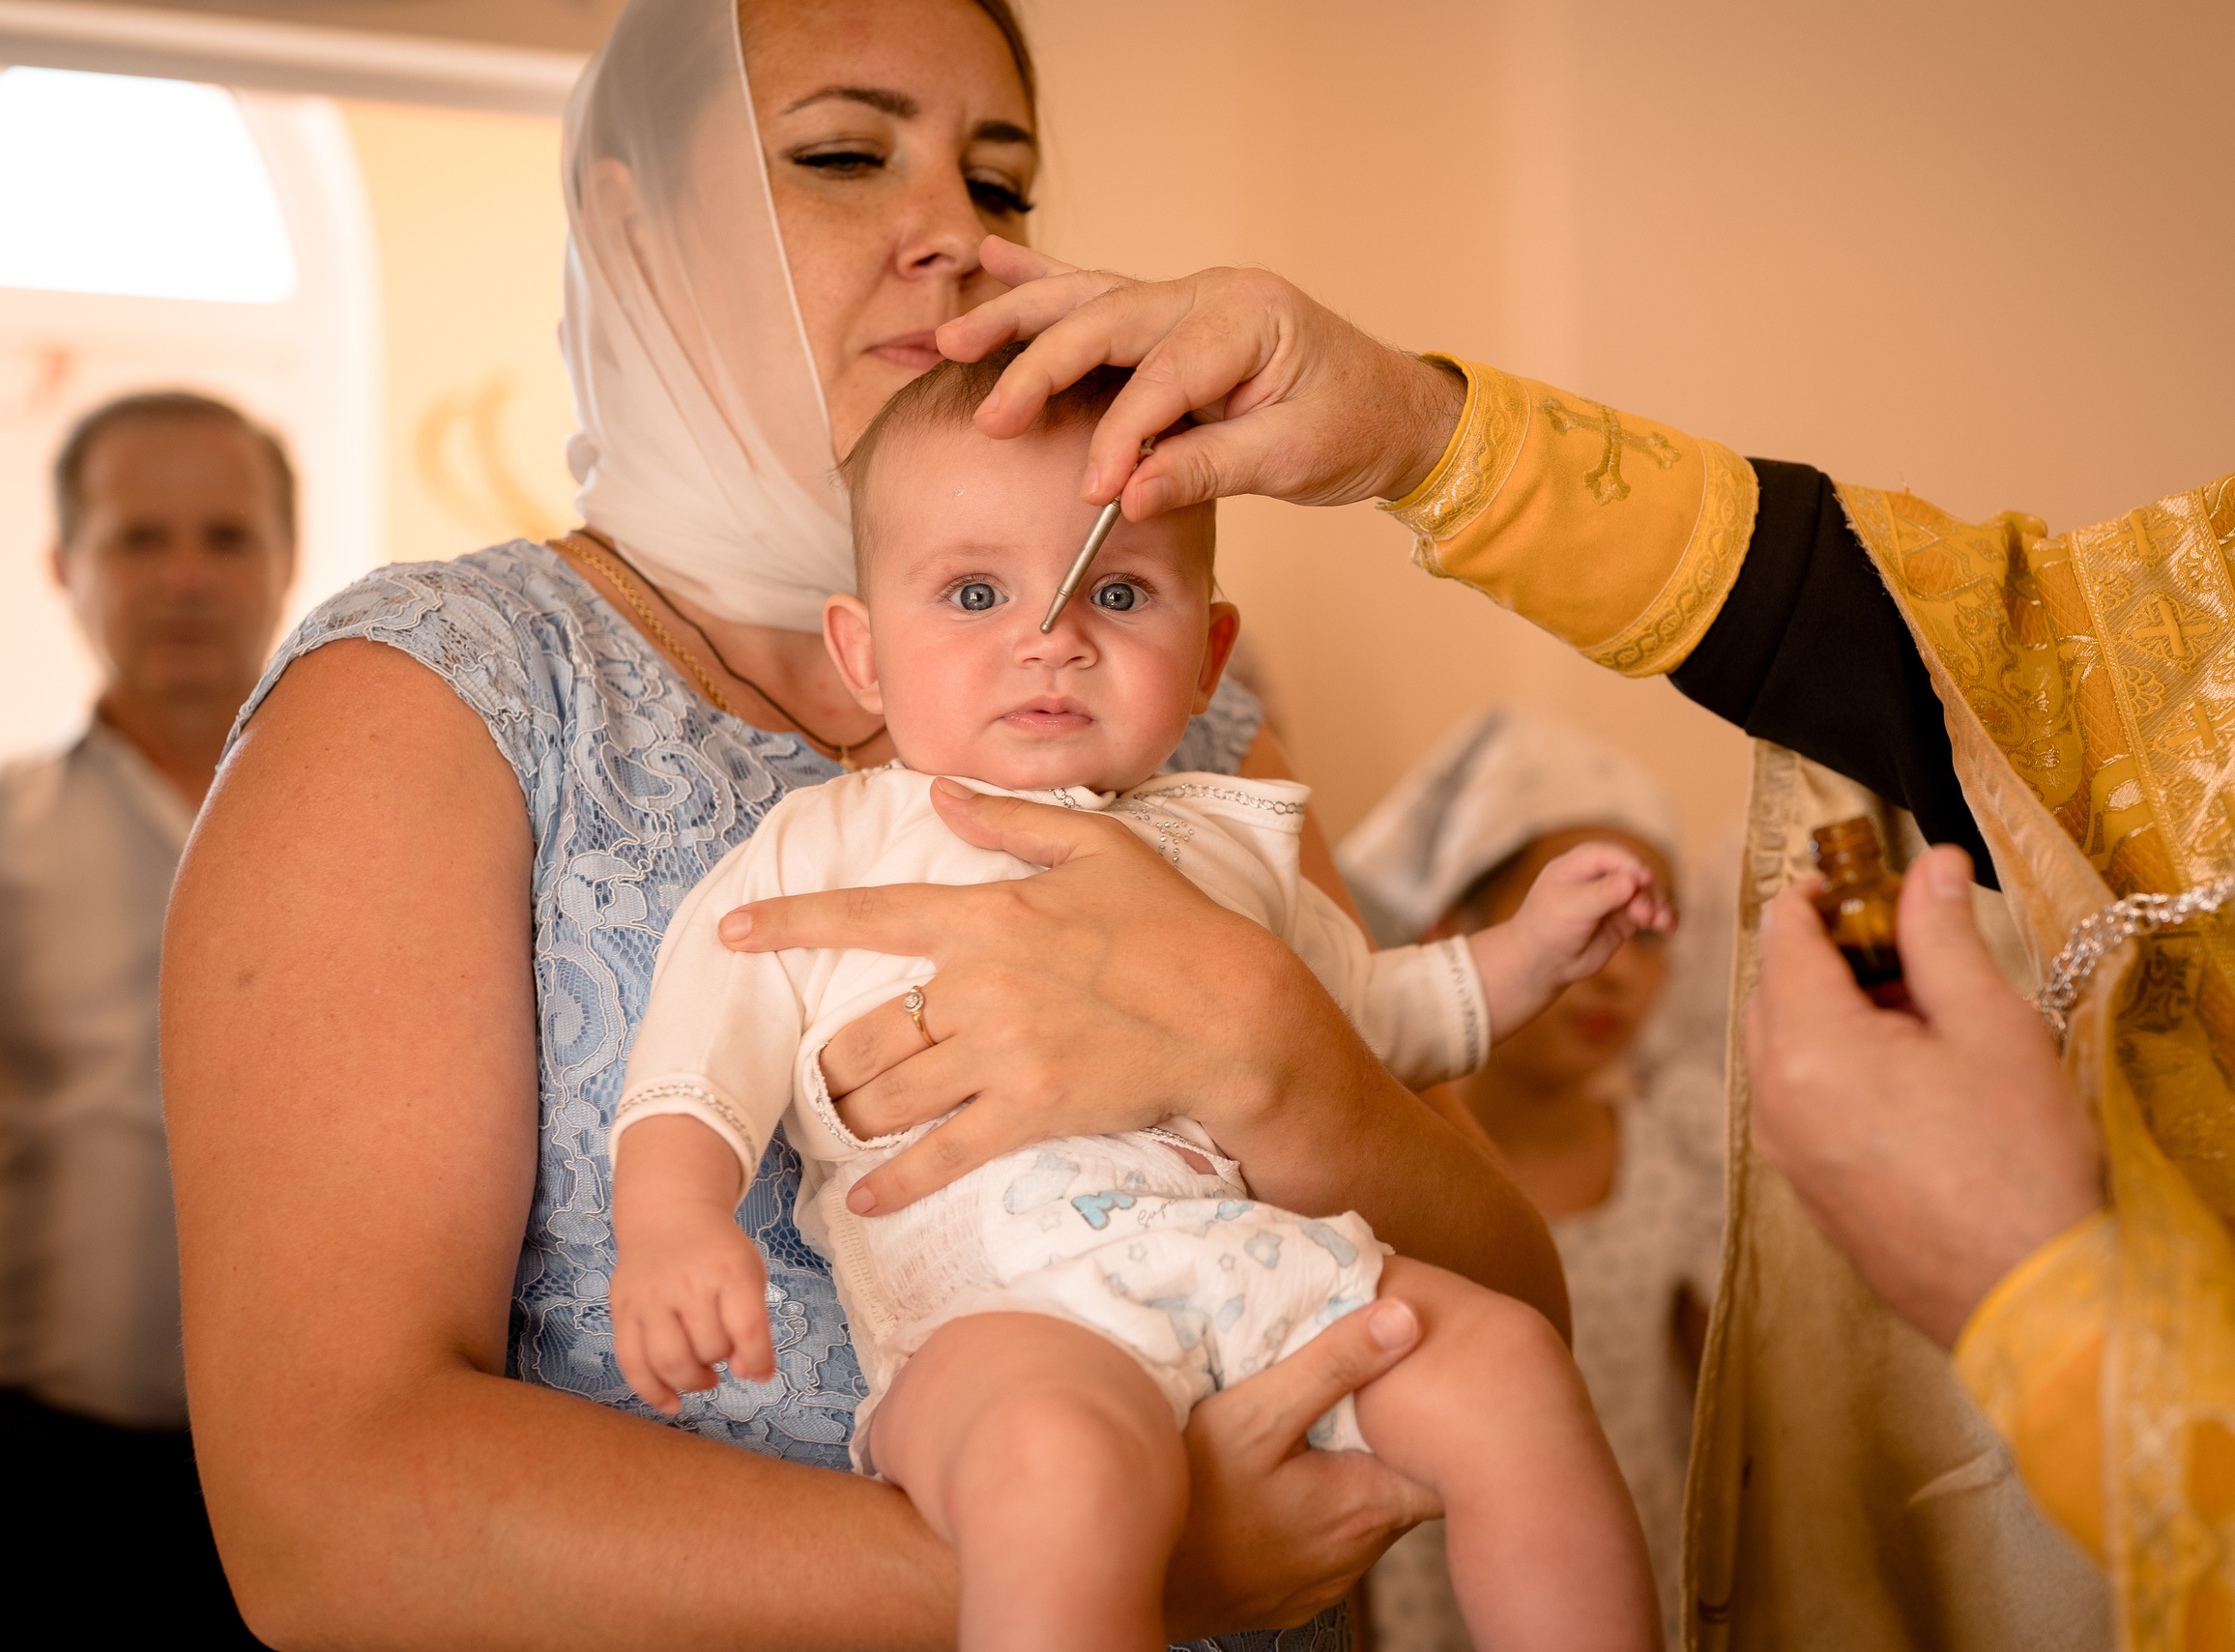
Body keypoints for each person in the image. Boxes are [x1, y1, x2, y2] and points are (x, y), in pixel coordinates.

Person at [883, 2, 2235, 1639]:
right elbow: (1993, 643)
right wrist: (1430, 433)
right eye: (845, 154)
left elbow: (1394, 1043)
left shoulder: (1217, 792)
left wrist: (2043, 1292)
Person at [161, 1, 1570, 1646]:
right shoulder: (437, 698)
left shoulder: (1183, 722)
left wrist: (1281, 1053)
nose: (957, 242)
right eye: (844, 155)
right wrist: (1113, 1561)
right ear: (633, 222)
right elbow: (327, 1513)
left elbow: (1512, 1295)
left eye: (1005, 181)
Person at [609, 355, 1663, 1652]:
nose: (1052, 636)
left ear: (1210, 653)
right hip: (1000, 1324)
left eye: (1119, 590)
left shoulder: (1229, 851)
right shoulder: (826, 844)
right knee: (1060, 1479)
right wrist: (669, 1218)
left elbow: (1371, 1022)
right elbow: (702, 1048)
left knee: (1510, 1368)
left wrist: (1531, 953)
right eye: (975, 592)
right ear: (865, 652)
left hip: (1263, 1280)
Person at [1, 391, 293, 1642]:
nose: (185, 578)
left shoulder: (396, 839)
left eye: (225, 538)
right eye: (139, 538)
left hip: (328, 1471)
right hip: (46, 1475)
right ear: (66, 566)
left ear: (286, 561)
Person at [1341, 708, 1727, 1652]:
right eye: (1583, 918)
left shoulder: (1678, 1158)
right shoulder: (1370, 1160)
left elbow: (1737, 1413)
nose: (1610, 973)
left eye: (1644, 933)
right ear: (1452, 932)